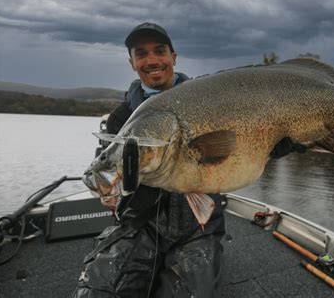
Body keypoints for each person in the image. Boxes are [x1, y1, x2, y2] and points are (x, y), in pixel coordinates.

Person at [72, 22, 225, 298]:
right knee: (96, 292)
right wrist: (116, 196)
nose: (152, 60)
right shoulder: (120, 118)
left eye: (160, 51)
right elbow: (107, 176)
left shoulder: (210, 103)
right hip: (141, 226)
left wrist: (286, 142)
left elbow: (239, 146)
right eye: (141, 53)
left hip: (198, 228)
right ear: (132, 63)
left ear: (173, 57)